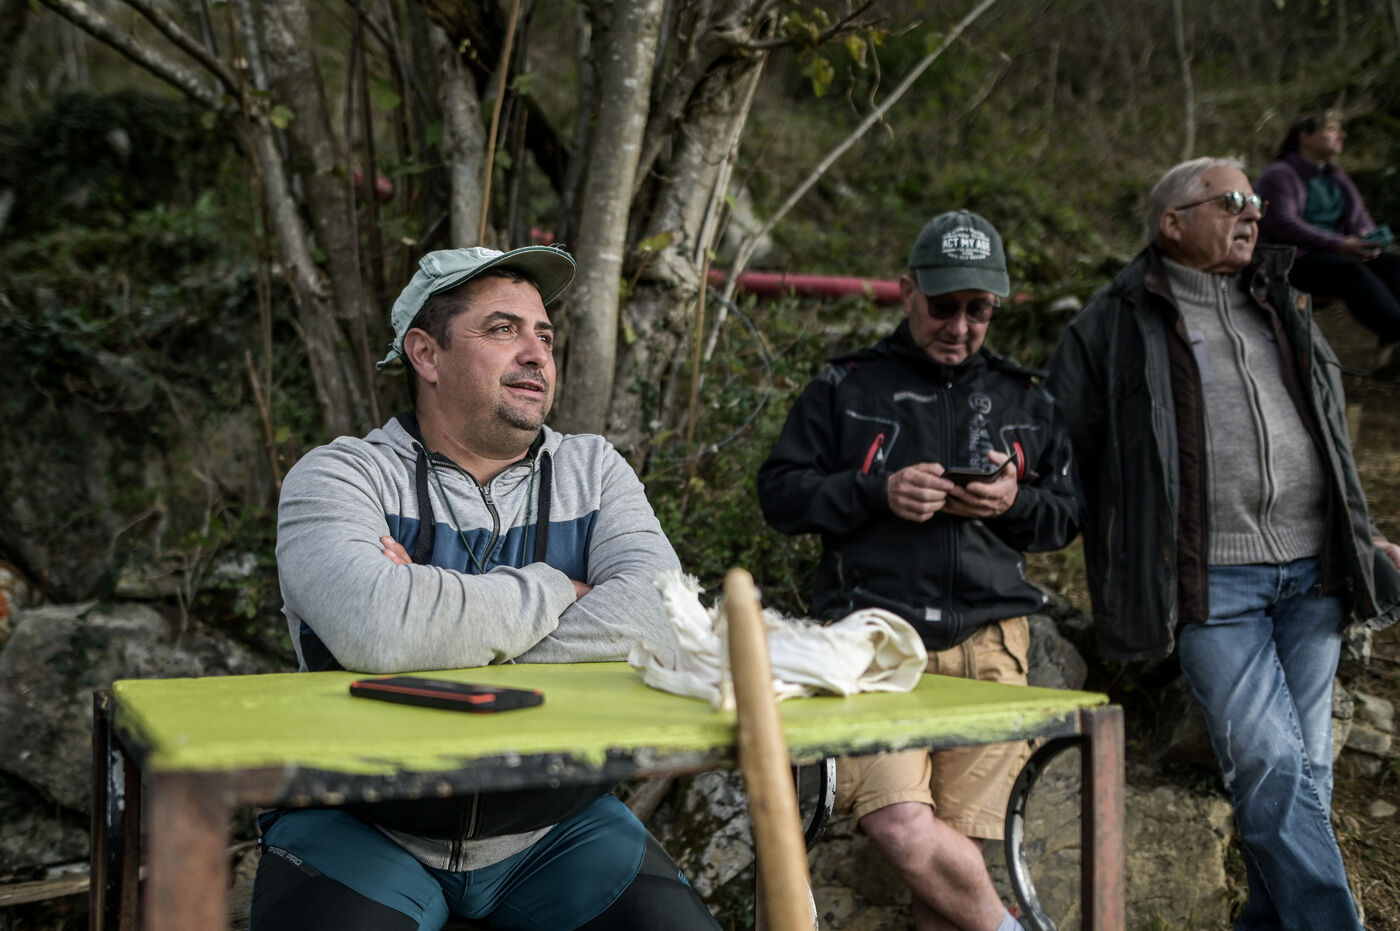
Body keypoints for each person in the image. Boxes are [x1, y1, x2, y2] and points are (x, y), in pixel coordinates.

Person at [251, 245, 719, 930]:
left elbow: (666, 619)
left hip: (555, 827)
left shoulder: (595, 471)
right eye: (503, 329)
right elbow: (380, 627)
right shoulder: (340, 477)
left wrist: (432, 625)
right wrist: (562, 586)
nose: (536, 354)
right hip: (361, 819)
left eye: (544, 336)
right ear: (426, 354)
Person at [1045, 157, 1400, 931]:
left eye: (1255, 201)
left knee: (1307, 768)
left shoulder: (1279, 297)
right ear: (1173, 222)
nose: (1253, 213)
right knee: (1269, 760)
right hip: (1211, 581)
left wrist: (1363, 531)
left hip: (1315, 569)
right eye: (1232, 200)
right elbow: (1056, 446)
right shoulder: (1113, 321)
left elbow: (1329, 431)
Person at [757, 210, 1079, 931]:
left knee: (946, 890)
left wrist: (1011, 502)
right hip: (874, 641)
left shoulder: (1028, 397)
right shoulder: (846, 385)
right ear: (907, 291)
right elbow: (779, 494)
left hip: (991, 643)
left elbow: (1065, 517)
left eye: (978, 310)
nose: (959, 326)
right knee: (900, 827)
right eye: (943, 306)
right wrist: (878, 492)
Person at [1254, 111, 1400, 367]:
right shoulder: (1280, 174)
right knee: (1349, 271)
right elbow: (1282, 223)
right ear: (1305, 136)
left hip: (1336, 253)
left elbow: (1360, 217)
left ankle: (1392, 342)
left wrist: (1368, 239)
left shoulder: (1335, 175)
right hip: (1292, 261)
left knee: (1390, 264)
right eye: (1332, 129)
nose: (1341, 135)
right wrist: (1338, 244)